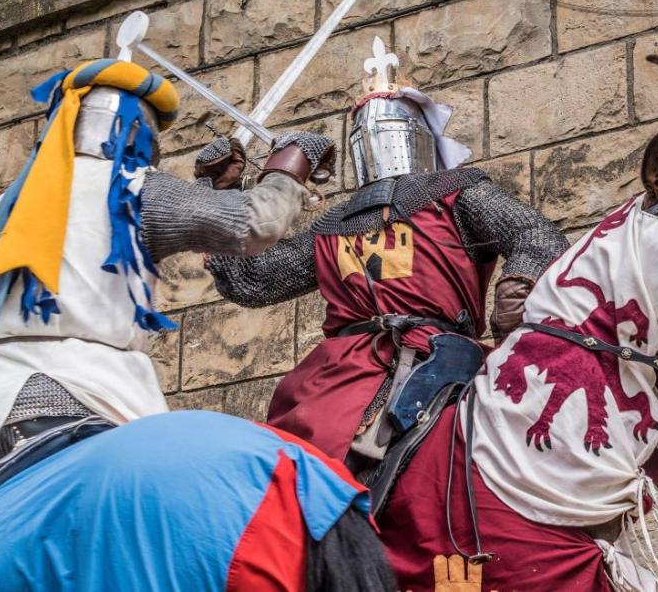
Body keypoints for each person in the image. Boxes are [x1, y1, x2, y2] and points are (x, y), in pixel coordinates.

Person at [0, 58, 334, 577]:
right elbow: (256, 223)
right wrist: (287, 169)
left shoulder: (5, 207)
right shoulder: (133, 186)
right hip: (93, 390)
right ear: (139, 131)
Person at [206, 38, 569, 469]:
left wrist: (517, 286)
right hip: (343, 372)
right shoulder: (332, 224)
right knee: (299, 465)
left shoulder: (456, 194)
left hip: (443, 359)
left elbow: (535, 235)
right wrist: (223, 194)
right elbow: (255, 280)